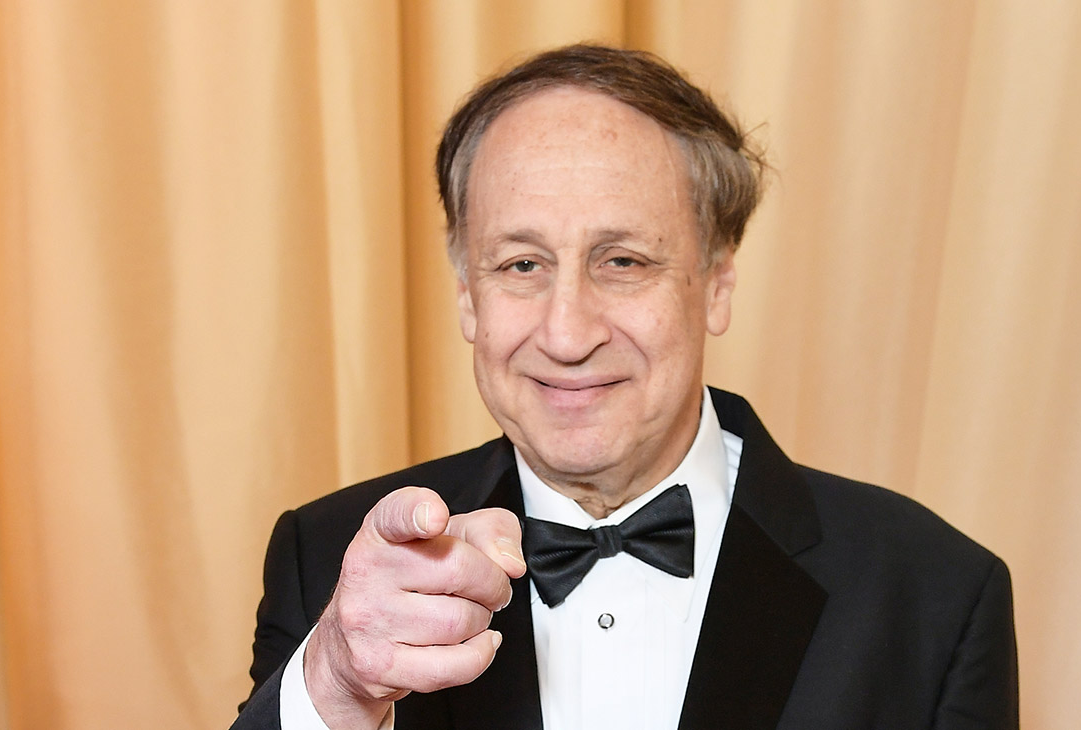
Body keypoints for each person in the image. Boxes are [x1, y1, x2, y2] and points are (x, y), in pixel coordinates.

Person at [232, 44, 1018, 730]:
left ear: (716, 283)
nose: (568, 334)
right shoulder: (331, 561)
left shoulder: (938, 592)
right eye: (521, 265)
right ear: (468, 295)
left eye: (623, 261)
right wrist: (335, 687)